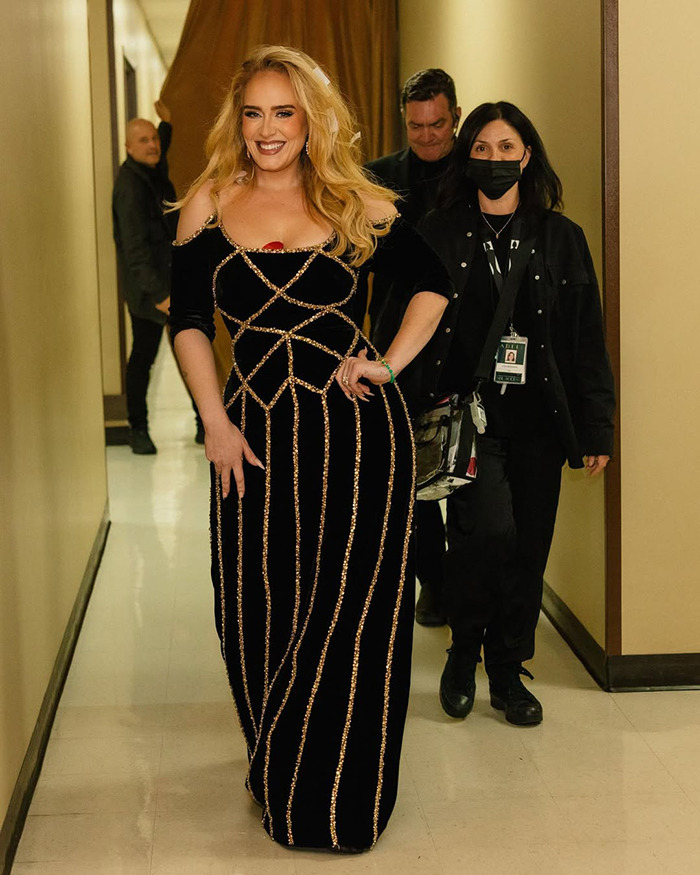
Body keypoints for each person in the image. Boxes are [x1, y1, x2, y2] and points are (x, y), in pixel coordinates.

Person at [168, 46, 450, 851]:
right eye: (254, 112)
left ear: (310, 119)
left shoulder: (358, 202)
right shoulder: (207, 205)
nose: (267, 130)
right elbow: (188, 322)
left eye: (283, 112)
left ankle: (339, 800)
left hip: (358, 440)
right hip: (249, 441)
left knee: (350, 616)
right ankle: (279, 760)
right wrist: (214, 422)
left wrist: (388, 362)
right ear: (238, 120)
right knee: (258, 609)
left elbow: (434, 286)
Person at [419, 102, 615, 726]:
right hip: (468, 420)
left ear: (528, 155)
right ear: (466, 156)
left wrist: (597, 428)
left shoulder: (563, 238)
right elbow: (405, 323)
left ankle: (507, 669)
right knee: (487, 534)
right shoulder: (439, 232)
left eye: (507, 148)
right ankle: (463, 652)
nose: (495, 160)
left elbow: (586, 340)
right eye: (482, 149)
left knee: (528, 547)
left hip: (538, 420)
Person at [366, 68, 462, 627]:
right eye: (416, 125)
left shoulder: (477, 174)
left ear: (454, 115)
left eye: (438, 124)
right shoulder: (375, 180)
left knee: (464, 470)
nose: (427, 136)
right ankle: (436, 579)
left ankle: (463, 589)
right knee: (408, 473)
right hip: (393, 340)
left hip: (461, 343)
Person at [112, 101, 203, 453]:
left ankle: (203, 424)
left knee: (190, 353)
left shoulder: (151, 173)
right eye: (144, 140)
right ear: (128, 147)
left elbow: (160, 155)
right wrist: (158, 295)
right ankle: (137, 429)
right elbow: (133, 250)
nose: (152, 145)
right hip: (150, 293)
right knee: (144, 358)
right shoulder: (130, 188)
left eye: (154, 138)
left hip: (170, 282)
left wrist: (166, 125)